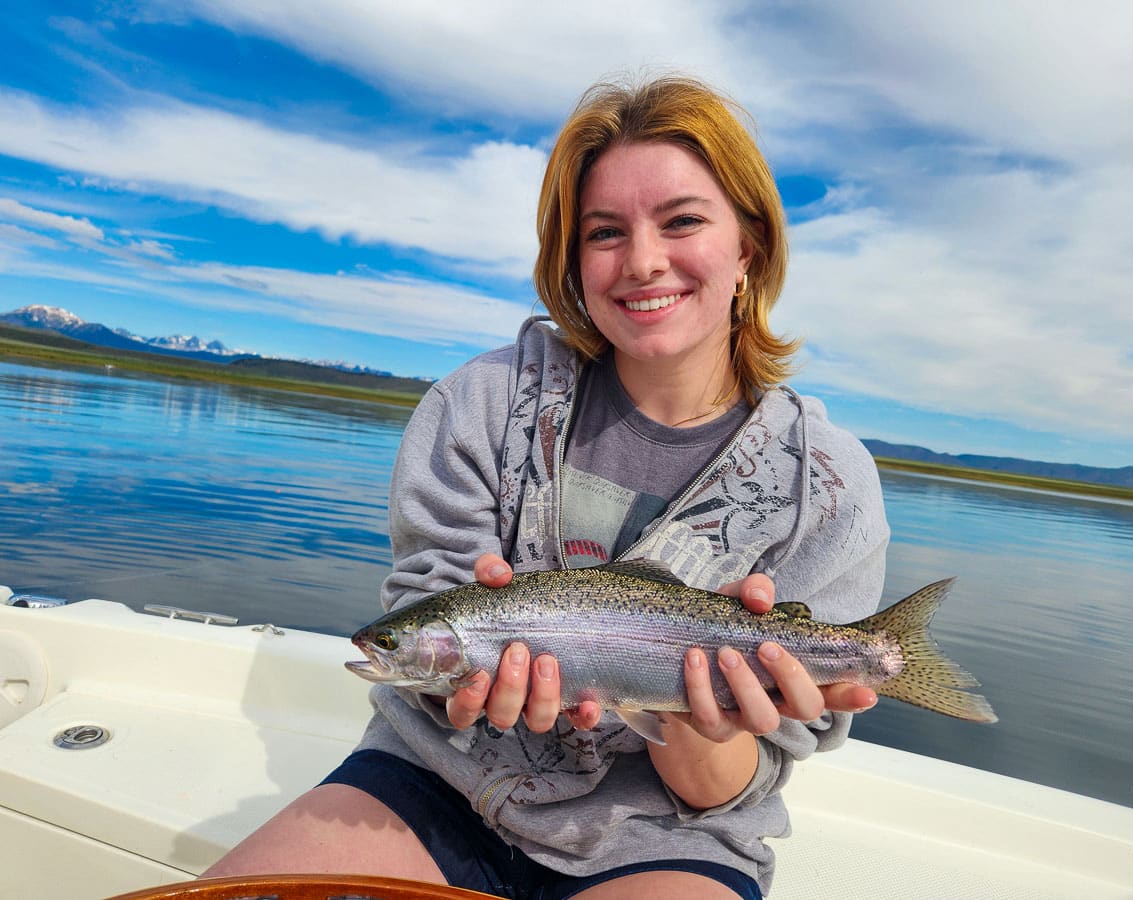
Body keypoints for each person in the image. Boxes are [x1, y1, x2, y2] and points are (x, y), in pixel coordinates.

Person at [204, 75, 889, 899]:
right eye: (605, 232)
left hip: (668, 836)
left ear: (748, 245)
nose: (641, 261)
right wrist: (457, 698)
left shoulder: (830, 485)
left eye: (682, 221)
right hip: (436, 784)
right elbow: (426, 663)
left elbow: (727, 785)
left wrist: (701, 724)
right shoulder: (477, 405)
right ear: (572, 259)